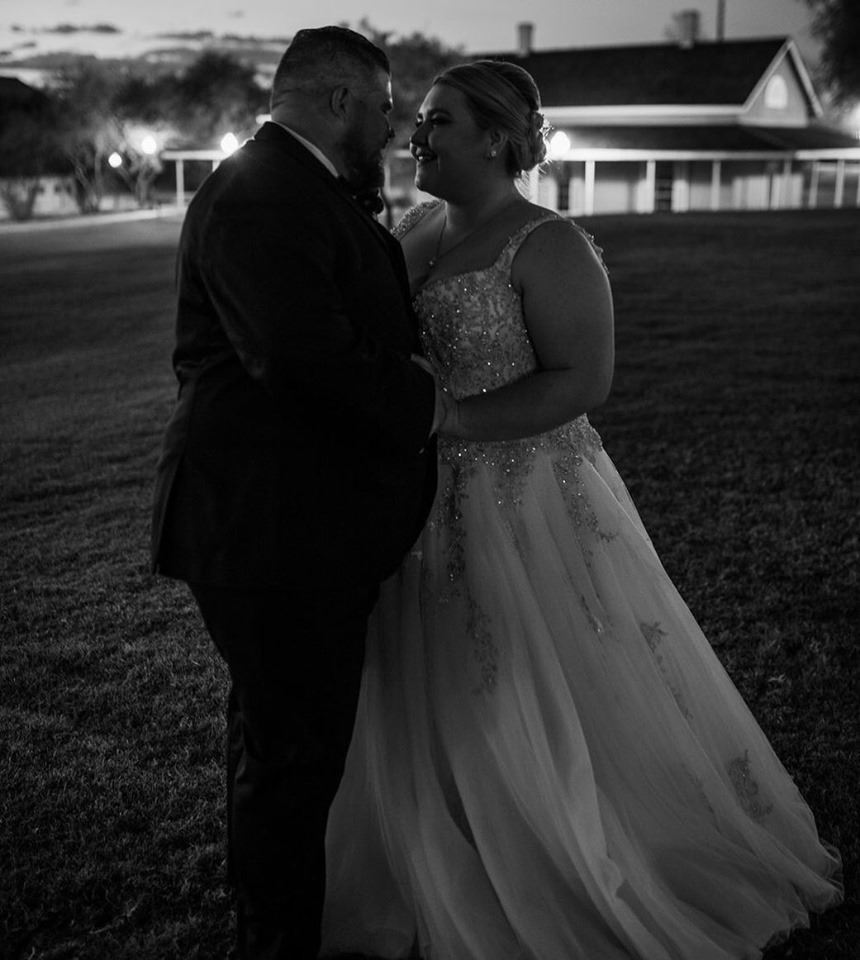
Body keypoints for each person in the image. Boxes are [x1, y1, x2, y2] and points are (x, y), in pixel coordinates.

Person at [321, 60, 843, 960]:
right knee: (432, 681)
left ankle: (568, 850)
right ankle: (450, 854)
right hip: (416, 503)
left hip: (527, 499)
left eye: (441, 121)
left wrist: (453, 418)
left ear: (496, 138)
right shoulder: (410, 233)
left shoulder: (548, 243)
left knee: (541, 676)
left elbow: (583, 381)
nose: (419, 134)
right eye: (421, 119)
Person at [150, 26, 441, 960]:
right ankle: (274, 941)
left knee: (280, 742)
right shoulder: (264, 192)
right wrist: (430, 399)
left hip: (287, 520)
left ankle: (267, 924)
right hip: (269, 528)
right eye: (388, 106)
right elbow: (301, 356)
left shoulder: (296, 184)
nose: (395, 128)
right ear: (341, 98)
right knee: (293, 757)